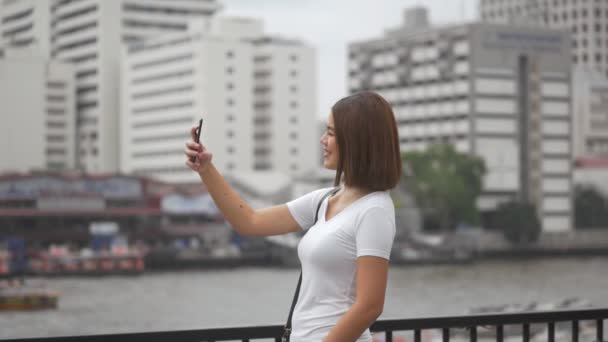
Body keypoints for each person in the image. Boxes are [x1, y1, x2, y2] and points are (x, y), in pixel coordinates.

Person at [184, 90, 402, 342]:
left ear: (355, 140)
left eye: (330, 133)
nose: (322, 140)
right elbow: (249, 221)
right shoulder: (324, 199)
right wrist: (206, 169)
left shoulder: (374, 209)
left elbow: (370, 306)